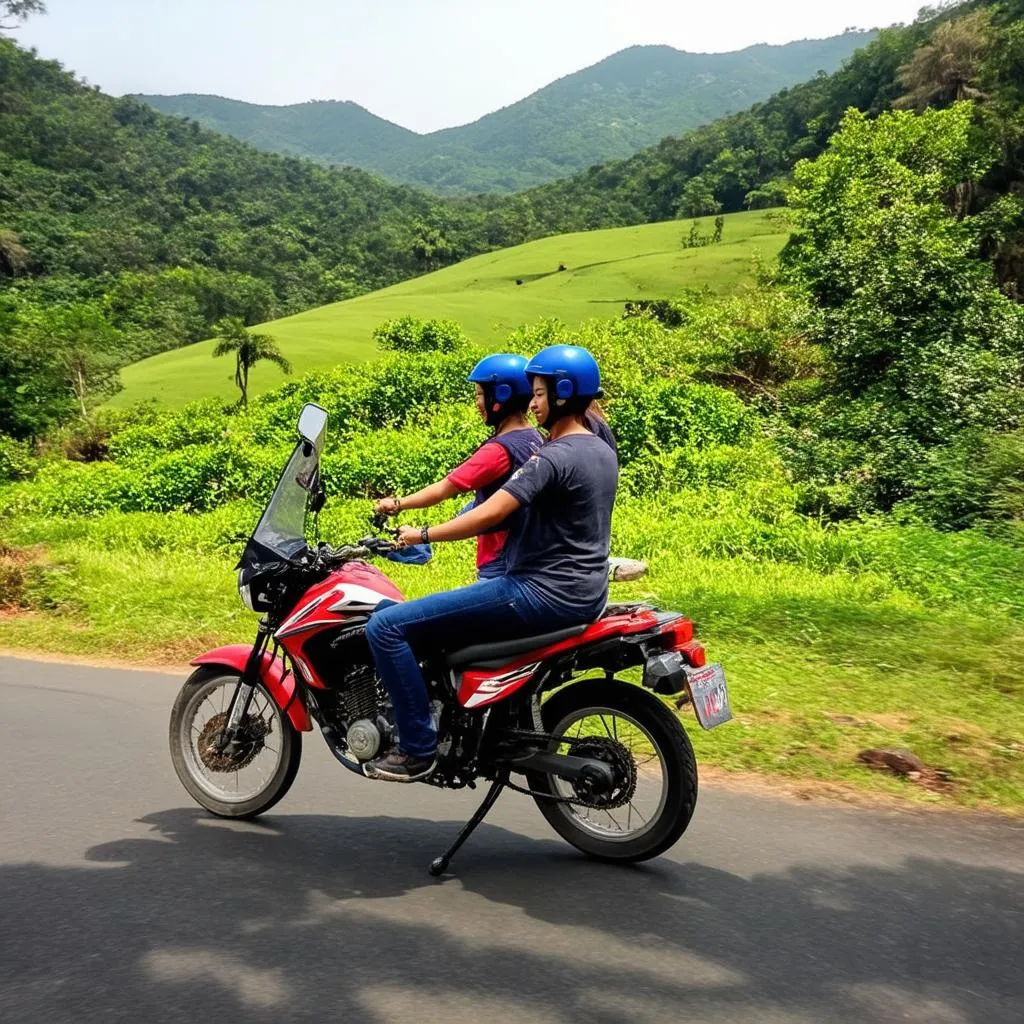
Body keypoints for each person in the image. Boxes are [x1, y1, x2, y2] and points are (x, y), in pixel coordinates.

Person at [363, 344, 619, 782]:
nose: (533, 403)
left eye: (538, 394)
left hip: (537, 593)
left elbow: (492, 511)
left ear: (561, 393)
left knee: (385, 627)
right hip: (586, 593)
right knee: (410, 620)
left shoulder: (551, 456)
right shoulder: (601, 448)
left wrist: (422, 534)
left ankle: (417, 749)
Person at [375, 354, 542, 579]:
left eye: (480, 395)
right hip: (524, 551)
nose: (477, 403)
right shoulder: (534, 436)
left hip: (499, 558)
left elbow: (444, 488)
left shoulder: (498, 451)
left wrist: (398, 504)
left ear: (500, 395)